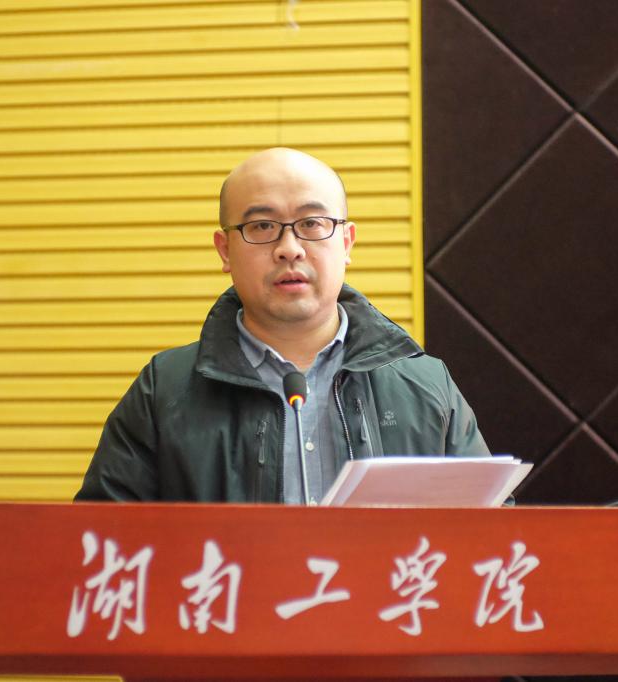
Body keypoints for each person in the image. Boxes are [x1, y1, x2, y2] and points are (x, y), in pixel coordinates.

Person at [74, 148, 488, 503]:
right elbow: (104, 546)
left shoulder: (425, 385)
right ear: (225, 250)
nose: (289, 249)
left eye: (312, 224)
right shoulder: (163, 393)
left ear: (346, 243)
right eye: (262, 227)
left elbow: (488, 534)